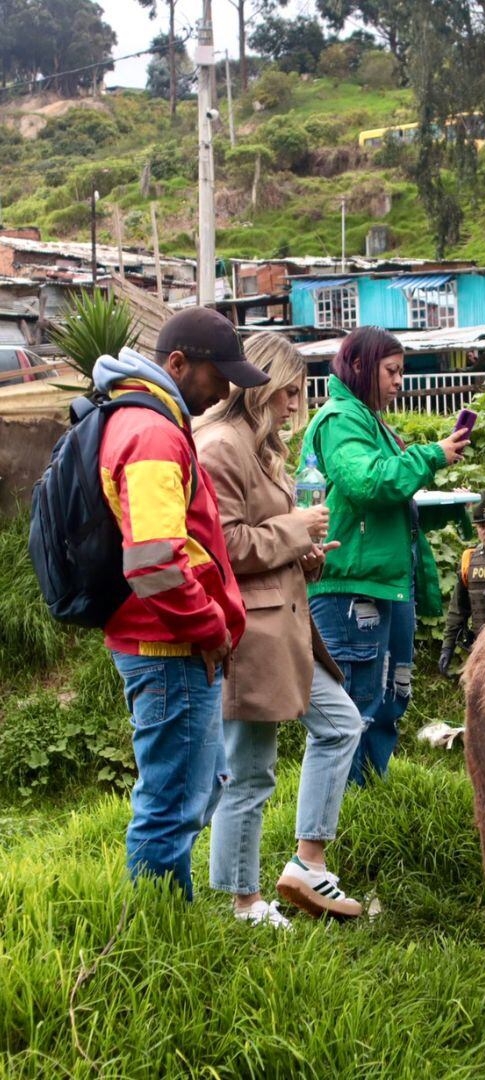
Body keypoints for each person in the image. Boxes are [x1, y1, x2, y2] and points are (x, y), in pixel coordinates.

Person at [95, 307, 265, 897]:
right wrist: (210, 628)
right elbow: (153, 559)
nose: (224, 392)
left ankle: (162, 922)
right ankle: (158, 939)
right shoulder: (150, 434)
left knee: (194, 789)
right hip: (170, 645)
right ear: (177, 364)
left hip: (171, 639)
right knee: (171, 805)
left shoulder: (148, 420)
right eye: (218, 377)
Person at [197, 331, 364, 926]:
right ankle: (243, 903)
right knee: (248, 770)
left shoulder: (260, 446)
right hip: (249, 634)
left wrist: (305, 554)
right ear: (262, 386)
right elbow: (224, 545)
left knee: (341, 724)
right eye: (289, 392)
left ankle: (307, 865)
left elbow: (261, 541)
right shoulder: (220, 446)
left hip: (286, 628)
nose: (297, 405)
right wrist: (295, 531)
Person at [306, 327, 469, 784]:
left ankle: (369, 796)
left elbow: (380, 496)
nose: (399, 382)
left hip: (383, 580)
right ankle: (340, 816)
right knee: (354, 704)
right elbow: (369, 483)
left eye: (402, 372)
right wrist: (431, 455)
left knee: (387, 698)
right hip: (350, 585)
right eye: (391, 371)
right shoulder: (341, 419)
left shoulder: (370, 419)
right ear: (360, 367)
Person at [440, 491, 485, 676]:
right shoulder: (470, 559)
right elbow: (458, 609)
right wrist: (447, 647)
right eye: (482, 526)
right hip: (481, 651)